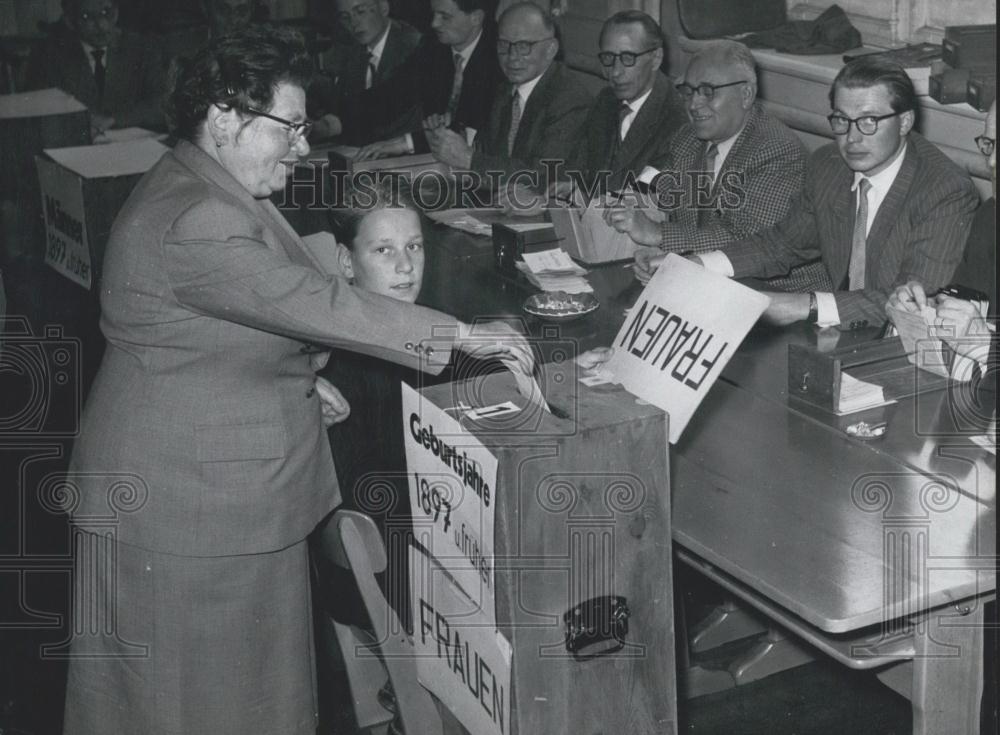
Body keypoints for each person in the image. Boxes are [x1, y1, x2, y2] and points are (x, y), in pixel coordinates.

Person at [61, 26, 530, 735]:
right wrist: (462, 338)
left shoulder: (204, 181)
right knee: (200, 707)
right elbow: (314, 299)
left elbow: (256, 295)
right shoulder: (202, 216)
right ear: (225, 116)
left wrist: (301, 373)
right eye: (292, 127)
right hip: (193, 510)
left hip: (202, 483)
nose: (304, 146)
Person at [687, 56, 979, 330]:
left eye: (869, 121)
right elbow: (783, 244)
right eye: (841, 120)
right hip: (843, 326)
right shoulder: (828, 165)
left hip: (902, 343)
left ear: (904, 122)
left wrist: (807, 305)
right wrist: (700, 263)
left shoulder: (945, 189)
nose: (852, 138)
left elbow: (912, 302)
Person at [604, 40, 830, 293]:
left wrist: (658, 234)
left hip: (779, 297)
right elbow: (676, 214)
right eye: (688, 91)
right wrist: (660, 251)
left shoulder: (778, 152)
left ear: (746, 94)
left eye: (708, 91)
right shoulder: (688, 140)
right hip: (711, 284)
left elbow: (748, 244)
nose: (693, 104)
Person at [887, 99, 996, 402]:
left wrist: (983, 345)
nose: (991, 162)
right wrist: (923, 312)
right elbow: (968, 304)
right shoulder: (991, 218)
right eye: (990, 144)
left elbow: (981, 340)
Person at [425, 2, 591, 186]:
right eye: (504, 45)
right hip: (497, 203)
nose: (512, 57)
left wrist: (468, 159)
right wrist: (452, 139)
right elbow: (488, 153)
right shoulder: (505, 89)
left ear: (551, 49)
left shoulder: (570, 100)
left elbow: (541, 177)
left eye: (523, 46)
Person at [356, 0, 503, 160]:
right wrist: (333, 121)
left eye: (444, 17)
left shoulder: (500, 56)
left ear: (476, 17)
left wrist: (405, 143)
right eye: (433, 14)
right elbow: (393, 93)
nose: (434, 23)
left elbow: (473, 129)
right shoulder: (433, 45)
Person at [563, 10, 684, 197]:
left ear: (656, 59)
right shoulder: (605, 101)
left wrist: (579, 198)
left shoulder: (678, 118)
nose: (616, 72)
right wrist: (555, 197)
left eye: (628, 58)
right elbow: (578, 172)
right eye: (608, 58)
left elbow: (640, 198)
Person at [25, 0, 168, 136]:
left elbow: (162, 104)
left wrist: (114, 119)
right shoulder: (48, 57)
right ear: (70, 21)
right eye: (87, 17)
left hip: (134, 149)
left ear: (117, 11)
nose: (102, 25)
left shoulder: (142, 48)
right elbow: (41, 114)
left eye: (106, 12)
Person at [308, 0, 423, 144]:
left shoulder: (413, 46)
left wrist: (329, 127)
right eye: (345, 17)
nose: (353, 23)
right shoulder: (354, 51)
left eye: (360, 12)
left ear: (383, 8)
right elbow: (343, 107)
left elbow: (389, 115)